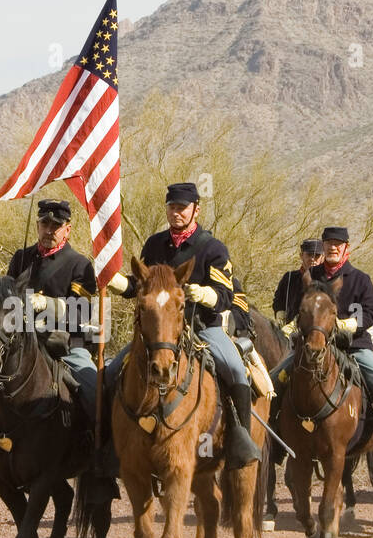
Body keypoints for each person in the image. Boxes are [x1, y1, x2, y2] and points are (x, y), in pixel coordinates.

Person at [0, 198, 99, 499]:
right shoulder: (21, 258)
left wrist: (46, 304)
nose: (49, 230)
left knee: (91, 390)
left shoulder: (80, 265)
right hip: (21, 347)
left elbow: (83, 313)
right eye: (44, 224)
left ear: (68, 229)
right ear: (38, 225)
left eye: (56, 225)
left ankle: (98, 465)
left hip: (66, 346)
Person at [102, 182, 262, 467]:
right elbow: (143, 287)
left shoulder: (213, 248)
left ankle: (240, 439)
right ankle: (109, 447)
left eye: (182, 208)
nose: (176, 213)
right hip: (161, 333)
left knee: (236, 370)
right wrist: (117, 283)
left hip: (204, 328)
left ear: (195, 210)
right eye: (171, 207)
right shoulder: (154, 244)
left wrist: (205, 294)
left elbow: (226, 296)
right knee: (112, 372)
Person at [266, 226, 373, 456]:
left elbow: (370, 312)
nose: (332, 247)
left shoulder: (361, 279)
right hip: (314, 346)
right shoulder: (311, 277)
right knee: (273, 381)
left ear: (346, 248)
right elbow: (297, 308)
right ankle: (275, 436)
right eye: (328, 243)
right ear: (323, 246)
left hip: (354, 347)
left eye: (337, 244)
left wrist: (348, 324)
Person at [272, 239, 323, 323]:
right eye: (309, 255)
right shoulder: (289, 278)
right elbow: (278, 302)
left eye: (317, 255)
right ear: (301, 255)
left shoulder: (327, 279)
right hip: (290, 330)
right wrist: (280, 316)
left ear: (322, 257)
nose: (313, 259)